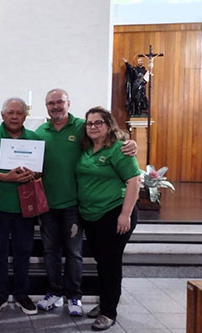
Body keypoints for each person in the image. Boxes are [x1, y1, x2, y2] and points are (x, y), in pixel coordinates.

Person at [35, 89, 138, 317]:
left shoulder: (82, 127)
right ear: (46, 106)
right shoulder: (41, 132)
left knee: (76, 253)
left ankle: (77, 297)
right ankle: (56, 292)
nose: (55, 106)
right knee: (52, 251)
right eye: (51, 103)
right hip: (54, 205)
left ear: (68, 103)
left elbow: (129, 169)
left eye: (60, 102)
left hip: (79, 206)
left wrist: (131, 143)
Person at [76, 107, 140, 331]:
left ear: (108, 125)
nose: (93, 126)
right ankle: (105, 302)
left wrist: (125, 214)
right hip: (92, 215)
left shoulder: (118, 149)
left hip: (113, 213)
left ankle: (109, 312)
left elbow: (134, 180)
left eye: (98, 122)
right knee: (102, 261)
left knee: (110, 263)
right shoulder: (87, 149)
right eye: (89, 123)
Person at [0, 97, 39, 316]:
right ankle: (0, 294)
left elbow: (40, 170)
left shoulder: (34, 138)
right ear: (2, 115)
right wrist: (5, 177)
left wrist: (34, 172)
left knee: (23, 252)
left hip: (25, 207)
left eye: (19, 113)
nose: (14, 117)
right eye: (10, 113)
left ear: (25, 116)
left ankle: (22, 294)